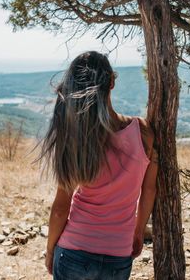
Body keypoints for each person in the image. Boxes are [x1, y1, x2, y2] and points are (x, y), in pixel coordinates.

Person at [36, 51, 159, 280]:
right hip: (118, 254)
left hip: (73, 251)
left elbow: (61, 207)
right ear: (112, 82)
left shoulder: (79, 138)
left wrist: (51, 249)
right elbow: (149, 189)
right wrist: (139, 231)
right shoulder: (144, 132)